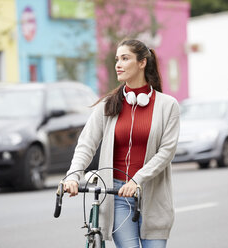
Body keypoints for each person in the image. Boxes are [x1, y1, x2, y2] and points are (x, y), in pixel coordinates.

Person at [63, 39, 180, 248]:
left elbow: (167, 152)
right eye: (117, 59)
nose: (118, 64)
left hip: (153, 195)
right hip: (116, 195)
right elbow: (86, 144)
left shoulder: (167, 105)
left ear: (142, 62)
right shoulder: (108, 105)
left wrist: (137, 180)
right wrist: (73, 175)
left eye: (125, 58)